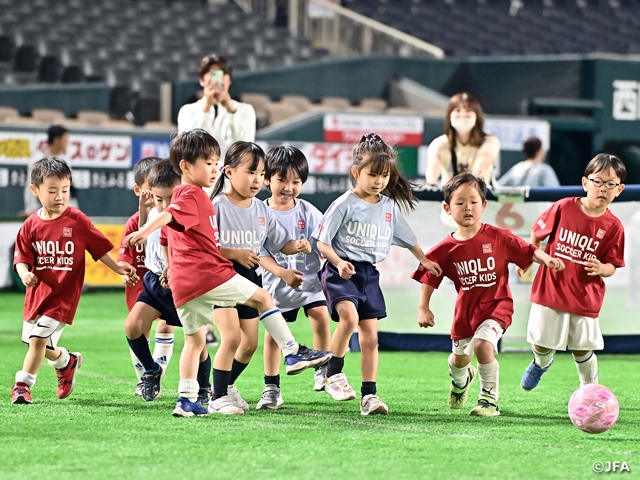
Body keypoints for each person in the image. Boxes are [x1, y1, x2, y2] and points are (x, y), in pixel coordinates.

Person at [125, 129, 331, 417]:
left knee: (196, 340)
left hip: (185, 285)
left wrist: (169, 262)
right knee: (261, 298)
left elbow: (168, 234)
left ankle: (186, 400)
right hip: (209, 274)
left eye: (215, 162)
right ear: (186, 166)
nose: (214, 169)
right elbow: (168, 217)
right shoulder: (193, 194)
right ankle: (291, 350)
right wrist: (144, 229)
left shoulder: (213, 200)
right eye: (208, 163)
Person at [412, 173, 564, 417]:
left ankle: (488, 401)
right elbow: (430, 275)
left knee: (483, 346)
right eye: (460, 202)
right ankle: (461, 381)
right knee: (459, 360)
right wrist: (423, 307)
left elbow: (528, 250)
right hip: (466, 313)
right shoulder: (445, 248)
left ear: (484, 205)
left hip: (497, 307)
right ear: (447, 208)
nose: (467, 207)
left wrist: (544, 258)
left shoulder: (499, 237)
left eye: (473, 201)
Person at [312, 132, 442, 416]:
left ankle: (369, 396)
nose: (379, 181)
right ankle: (332, 374)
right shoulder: (344, 203)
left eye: (385, 175)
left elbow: (407, 238)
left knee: (370, 337)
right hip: (341, 271)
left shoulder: (388, 207)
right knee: (350, 318)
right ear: (356, 172)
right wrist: (336, 261)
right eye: (373, 174)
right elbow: (321, 241)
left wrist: (424, 260)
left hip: (368, 275)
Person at [209, 141, 331, 412]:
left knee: (249, 344)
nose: (255, 179)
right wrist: (235, 253)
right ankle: (216, 396)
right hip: (222, 276)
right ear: (228, 172)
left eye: (259, 173)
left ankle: (225, 387)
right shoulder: (217, 205)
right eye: (250, 171)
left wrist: (296, 245)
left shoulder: (261, 210)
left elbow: (280, 244)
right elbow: (204, 245)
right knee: (230, 338)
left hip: (249, 277)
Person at [11, 156, 137, 404]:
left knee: (37, 340)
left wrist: (119, 269)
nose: (60, 196)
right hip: (38, 296)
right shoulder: (30, 226)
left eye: (65, 190)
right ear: (35, 190)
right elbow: (21, 258)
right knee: (34, 342)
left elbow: (100, 250)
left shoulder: (77, 220)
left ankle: (22, 385)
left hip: (63, 297)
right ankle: (66, 362)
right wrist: (25, 273)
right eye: (52, 191)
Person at [519, 154, 626, 391]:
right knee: (543, 343)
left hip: (585, 296)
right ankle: (540, 363)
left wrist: (602, 268)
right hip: (551, 291)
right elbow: (537, 233)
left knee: (582, 348)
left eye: (610, 184)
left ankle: (590, 391)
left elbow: (613, 265)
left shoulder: (614, 227)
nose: (603, 188)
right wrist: (531, 257)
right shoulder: (564, 206)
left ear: (619, 189)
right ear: (585, 182)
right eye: (597, 181)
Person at [124, 159, 212, 404]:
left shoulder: (188, 215)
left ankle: (204, 386)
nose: (164, 205)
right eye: (159, 199)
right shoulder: (154, 212)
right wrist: (145, 211)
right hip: (155, 283)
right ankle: (152, 371)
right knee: (132, 326)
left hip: (184, 285)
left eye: (169, 198)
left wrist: (175, 269)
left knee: (198, 341)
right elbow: (147, 235)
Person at [256, 146, 331, 410]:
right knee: (273, 336)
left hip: (309, 283)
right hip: (277, 286)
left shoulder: (309, 211)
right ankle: (271, 387)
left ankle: (323, 371)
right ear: (267, 179)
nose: (289, 187)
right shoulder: (259, 212)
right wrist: (282, 273)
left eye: (296, 182)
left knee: (321, 317)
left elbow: (325, 239)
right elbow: (260, 254)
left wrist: (317, 248)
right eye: (282, 180)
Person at [117, 157, 177, 396]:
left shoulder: (173, 214)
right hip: (144, 284)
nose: (154, 196)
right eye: (150, 190)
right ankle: (146, 376)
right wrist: (123, 270)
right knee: (139, 330)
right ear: (139, 190)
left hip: (171, 282)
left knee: (170, 327)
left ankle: (161, 375)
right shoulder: (136, 221)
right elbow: (124, 253)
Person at [177, 54, 256, 160]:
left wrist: (230, 110)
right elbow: (187, 146)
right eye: (212, 74)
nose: (217, 79)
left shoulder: (245, 110)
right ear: (202, 80)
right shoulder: (187, 111)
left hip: (230, 174)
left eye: (222, 74)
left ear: (230, 80)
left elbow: (246, 145)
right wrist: (206, 109)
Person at [425, 93, 500, 187]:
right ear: (450, 115)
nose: (463, 114)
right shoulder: (439, 143)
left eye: (468, 110)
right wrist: (431, 184)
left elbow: (482, 164)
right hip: (450, 198)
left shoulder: (490, 141)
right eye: (457, 110)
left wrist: (472, 188)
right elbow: (433, 166)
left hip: (483, 197)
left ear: (477, 116)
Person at [22, 125, 79, 217]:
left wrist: (74, 210)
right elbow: (32, 186)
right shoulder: (38, 160)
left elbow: (70, 190)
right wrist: (30, 208)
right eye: (65, 140)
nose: (67, 143)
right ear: (57, 140)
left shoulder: (65, 161)